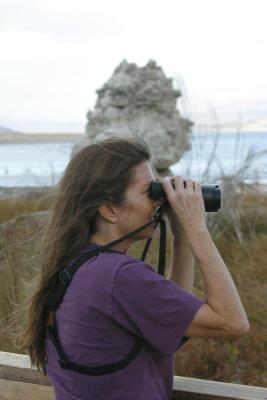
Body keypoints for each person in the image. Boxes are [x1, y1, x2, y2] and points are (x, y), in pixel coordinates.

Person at [20, 136, 250, 400]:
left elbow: (173, 324)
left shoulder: (77, 265)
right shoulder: (118, 277)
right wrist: (197, 228)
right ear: (109, 210)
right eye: (149, 191)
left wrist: (182, 237)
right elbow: (233, 323)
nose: (158, 200)